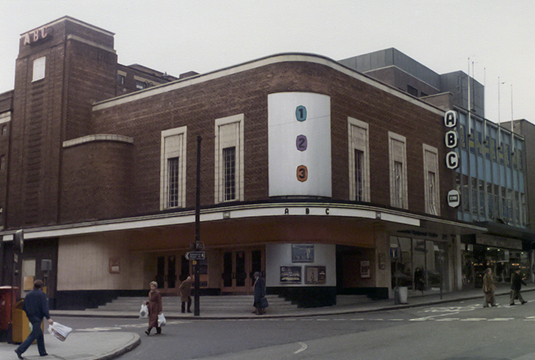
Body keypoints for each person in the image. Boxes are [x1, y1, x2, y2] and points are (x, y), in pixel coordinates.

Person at [14, 280, 54, 359]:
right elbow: (44, 307)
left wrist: (29, 314)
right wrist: (48, 318)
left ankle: (42, 352)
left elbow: (24, 306)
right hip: (38, 317)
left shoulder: (28, 295)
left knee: (39, 333)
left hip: (31, 317)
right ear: (41, 287)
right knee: (34, 334)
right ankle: (20, 350)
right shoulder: (42, 294)